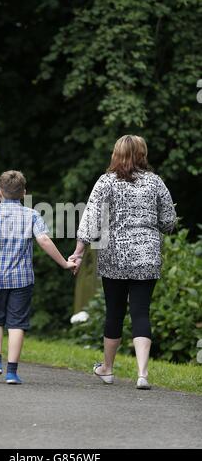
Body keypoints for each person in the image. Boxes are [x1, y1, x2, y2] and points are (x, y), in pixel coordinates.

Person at [69, 135, 177, 390]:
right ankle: (142, 374)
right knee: (141, 312)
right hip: (146, 256)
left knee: (114, 312)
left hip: (114, 254)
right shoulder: (155, 182)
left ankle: (107, 369)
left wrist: (79, 251)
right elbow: (169, 221)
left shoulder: (106, 182)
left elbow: (91, 218)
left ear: (116, 154)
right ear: (142, 153)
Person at [0, 170, 75, 384]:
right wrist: (64, 263)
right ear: (24, 193)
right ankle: (11, 372)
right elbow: (45, 241)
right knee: (17, 323)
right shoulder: (31, 215)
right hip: (22, 279)